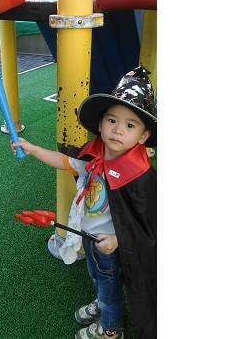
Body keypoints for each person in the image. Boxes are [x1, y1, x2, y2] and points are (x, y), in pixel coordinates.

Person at [12, 66, 157, 339]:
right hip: (88, 239)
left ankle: (110, 329)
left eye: (130, 125)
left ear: (143, 136)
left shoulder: (140, 177)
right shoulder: (92, 156)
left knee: (111, 290)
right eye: (112, 120)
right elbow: (63, 161)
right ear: (100, 124)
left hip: (111, 246)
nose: (118, 130)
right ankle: (102, 302)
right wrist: (33, 149)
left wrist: (117, 239)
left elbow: (148, 224)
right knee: (96, 277)